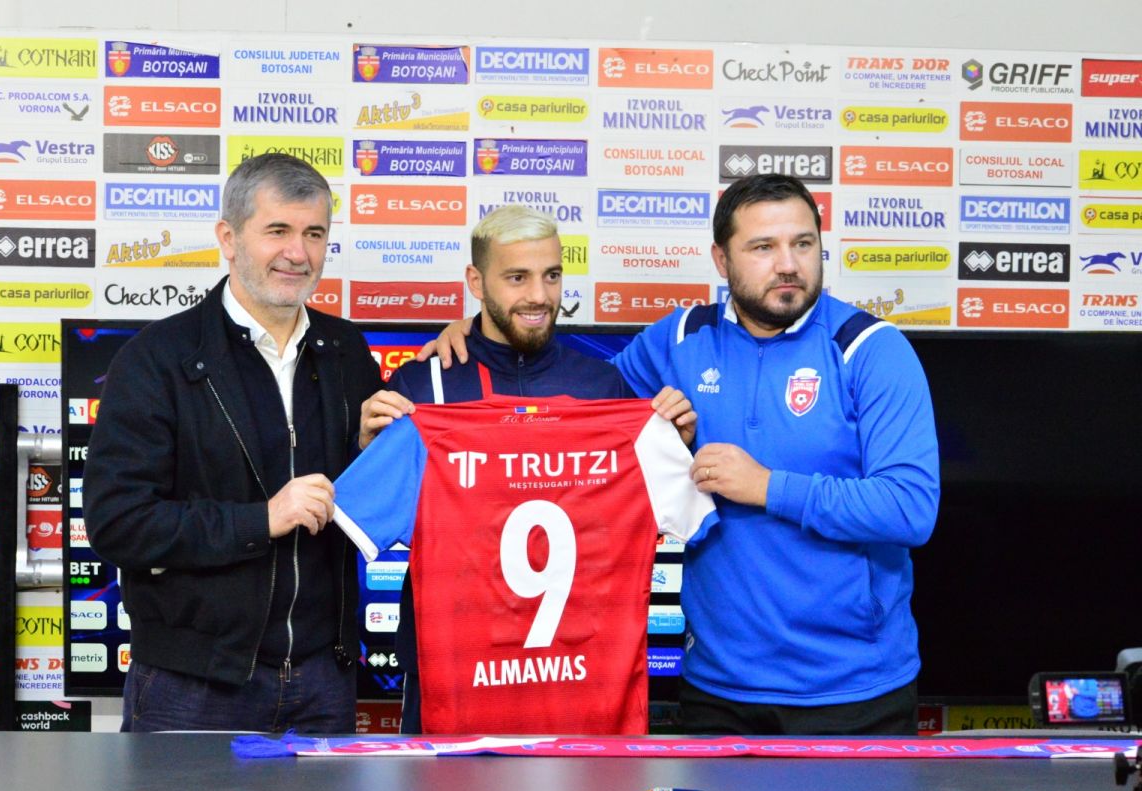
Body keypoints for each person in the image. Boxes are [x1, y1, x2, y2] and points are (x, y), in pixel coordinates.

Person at [424, 174, 941, 735]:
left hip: (855, 690)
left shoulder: (869, 349)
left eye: (803, 243)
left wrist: (766, 486)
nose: (788, 264)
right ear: (722, 260)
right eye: (763, 247)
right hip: (716, 689)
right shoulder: (680, 339)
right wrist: (483, 337)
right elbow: (567, 413)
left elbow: (909, 508)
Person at [355, 204, 699, 733]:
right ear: (476, 281)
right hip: (454, 679)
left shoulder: (604, 390)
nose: (539, 295)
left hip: (582, 675)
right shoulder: (423, 388)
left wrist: (673, 446)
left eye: (552, 276)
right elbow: (362, 516)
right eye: (517, 277)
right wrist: (367, 452)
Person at [83, 153, 382, 733]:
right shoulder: (156, 359)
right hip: (191, 683)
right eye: (278, 231)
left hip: (324, 680)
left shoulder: (348, 352)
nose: (298, 253)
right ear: (228, 237)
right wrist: (260, 520)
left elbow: (352, 505)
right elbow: (118, 523)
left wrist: (366, 454)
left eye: (314, 234)